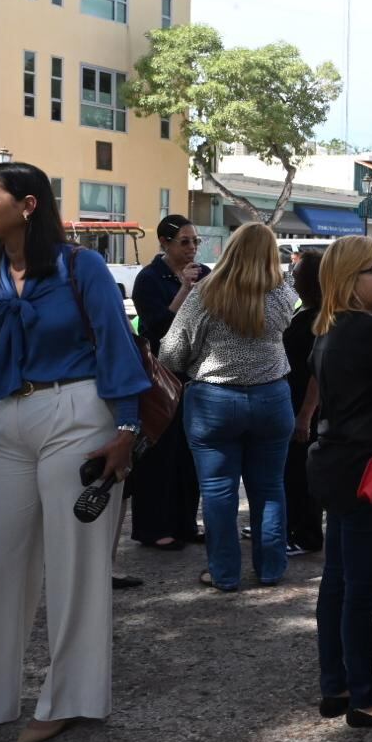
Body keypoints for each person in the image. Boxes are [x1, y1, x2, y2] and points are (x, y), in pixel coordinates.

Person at [0, 161, 149, 742]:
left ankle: (69, 699)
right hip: (7, 419)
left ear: (28, 204)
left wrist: (126, 429)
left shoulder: (81, 266)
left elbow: (116, 344)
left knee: (74, 566)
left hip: (79, 412)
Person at [159, 222, 297, 592]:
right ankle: (271, 568)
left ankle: (224, 573)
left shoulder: (206, 294)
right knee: (270, 487)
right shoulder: (282, 293)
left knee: (218, 491)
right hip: (272, 397)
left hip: (214, 401)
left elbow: (171, 353)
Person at [310, 237, 372, 727]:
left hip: (338, 467)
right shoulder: (366, 330)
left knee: (339, 582)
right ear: (350, 278)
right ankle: (364, 695)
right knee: (359, 589)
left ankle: (337, 685)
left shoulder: (331, 327)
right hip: (364, 472)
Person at [128, 215, 210, 550]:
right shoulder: (149, 278)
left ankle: (185, 523)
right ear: (164, 242)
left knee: (190, 453)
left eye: (195, 241)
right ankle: (154, 527)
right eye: (184, 242)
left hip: (195, 372)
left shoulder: (204, 273)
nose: (192, 248)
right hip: (161, 375)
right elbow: (158, 326)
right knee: (159, 451)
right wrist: (185, 290)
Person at [284, 248, 325, 553]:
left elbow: (316, 372)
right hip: (294, 401)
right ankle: (292, 526)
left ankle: (305, 533)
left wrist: (305, 415)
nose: (292, 279)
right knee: (293, 471)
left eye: (297, 274)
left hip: (305, 407)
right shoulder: (306, 310)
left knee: (302, 474)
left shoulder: (319, 319)